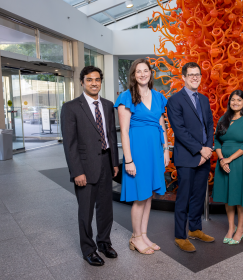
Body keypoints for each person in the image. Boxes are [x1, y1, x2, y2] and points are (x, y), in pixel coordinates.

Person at [61, 66, 119, 266]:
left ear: (101, 81)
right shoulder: (71, 107)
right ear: (82, 82)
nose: (94, 83)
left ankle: (104, 242)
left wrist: (114, 162)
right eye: (89, 80)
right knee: (85, 210)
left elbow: (111, 135)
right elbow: (70, 144)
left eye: (97, 79)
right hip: (85, 166)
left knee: (106, 208)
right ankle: (88, 249)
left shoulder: (108, 105)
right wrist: (77, 171)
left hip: (105, 161)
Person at [115, 58, 170, 255]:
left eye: (145, 70)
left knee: (149, 196)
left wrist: (166, 149)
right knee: (140, 196)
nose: (142, 74)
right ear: (133, 75)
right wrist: (128, 160)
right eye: (138, 71)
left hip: (155, 150)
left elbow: (161, 124)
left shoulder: (158, 96)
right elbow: (124, 131)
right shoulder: (126, 97)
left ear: (150, 73)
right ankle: (135, 237)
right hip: (137, 152)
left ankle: (144, 235)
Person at [167, 62, 215, 253]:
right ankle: (181, 236)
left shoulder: (203, 99)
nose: (195, 77)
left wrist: (209, 148)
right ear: (184, 77)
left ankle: (195, 229)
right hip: (187, 157)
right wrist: (200, 150)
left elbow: (210, 125)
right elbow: (180, 131)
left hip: (204, 156)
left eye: (197, 74)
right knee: (184, 198)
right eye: (191, 74)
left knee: (198, 196)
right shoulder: (174, 100)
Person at [213, 90, 243, 245]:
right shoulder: (223, 118)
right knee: (228, 195)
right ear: (229, 102)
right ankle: (231, 227)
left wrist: (229, 159)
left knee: (240, 196)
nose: (235, 103)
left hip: (242, 161)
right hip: (224, 161)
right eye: (233, 100)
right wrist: (221, 159)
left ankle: (240, 229)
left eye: (239, 100)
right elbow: (217, 140)